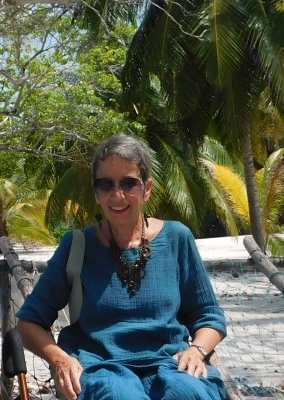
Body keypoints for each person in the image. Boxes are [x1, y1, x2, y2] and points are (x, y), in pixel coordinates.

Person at [16, 135, 227, 399]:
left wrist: (197, 350)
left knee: (187, 393)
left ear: (146, 188)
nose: (117, 195)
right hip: (102, 369)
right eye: (106, 185)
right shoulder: (77, 246)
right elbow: (29, 322)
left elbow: (209, 316)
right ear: (96, 193)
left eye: (129, 183)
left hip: (170, 363)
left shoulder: (177, 238)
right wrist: (61, 360)